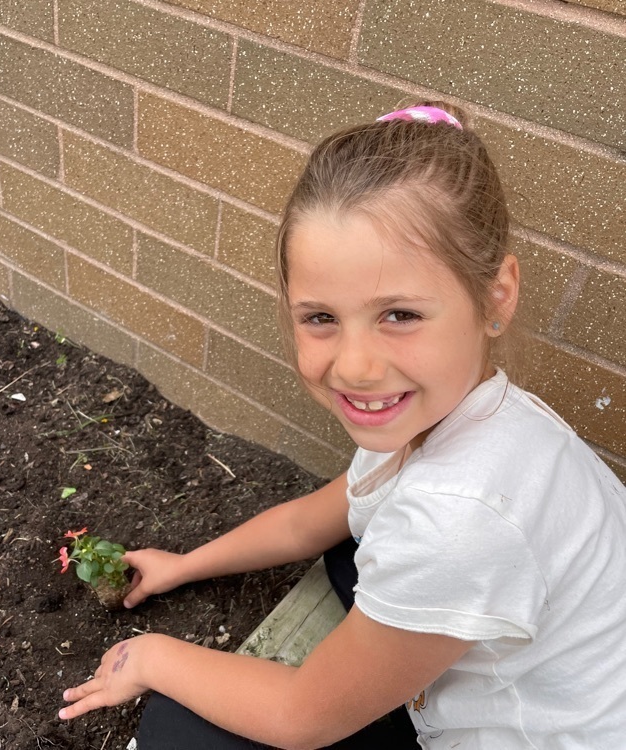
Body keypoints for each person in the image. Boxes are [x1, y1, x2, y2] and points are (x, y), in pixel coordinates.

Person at [58, 101, 626, 749]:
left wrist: (153, 656)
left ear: (495, 296)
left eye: (401, 315)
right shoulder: (462, 415)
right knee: (354, 547)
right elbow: (310, 521)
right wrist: (183, 566)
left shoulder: (456, 519)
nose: (355, 367)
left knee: (178, 731)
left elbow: (302, 717)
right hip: (551, 660)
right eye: (321, 318)